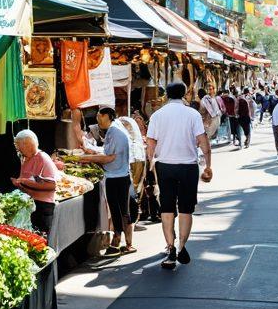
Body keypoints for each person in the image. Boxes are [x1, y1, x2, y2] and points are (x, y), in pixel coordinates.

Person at [145, 80, 212, 269]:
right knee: (185, 208)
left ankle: (170, 247)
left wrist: (152, 162)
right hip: (188, 166)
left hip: (165, 166)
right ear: (185, 94)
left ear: (167, 94)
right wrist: (208, 165)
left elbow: (151, 143)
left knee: (166, 208)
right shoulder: (192, 114)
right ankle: (182, 245)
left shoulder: (158, 115)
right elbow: (203, 141)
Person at [74, 107, 135, 254]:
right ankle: (118, 242)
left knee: (122, 211)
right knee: (116, 211)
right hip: (114, 176)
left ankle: (127, 244)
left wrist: (86, 158)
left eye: (100, 117)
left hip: (119, 177)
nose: (98, 120)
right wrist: (92, 153)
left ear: (108, 116)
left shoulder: (116, 132)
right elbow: (107, 152)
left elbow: (109, 158)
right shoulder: (112, 132)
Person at [11, 130, 60, 236]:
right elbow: (36, 181)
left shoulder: (42, 158)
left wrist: (25, 181)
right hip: (31, 204)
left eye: (19, 146)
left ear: (27, 145)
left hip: (43, 207)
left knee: (41, 239)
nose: (18, 149)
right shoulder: (24, 157)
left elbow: (52, 185)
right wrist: (20, 184)